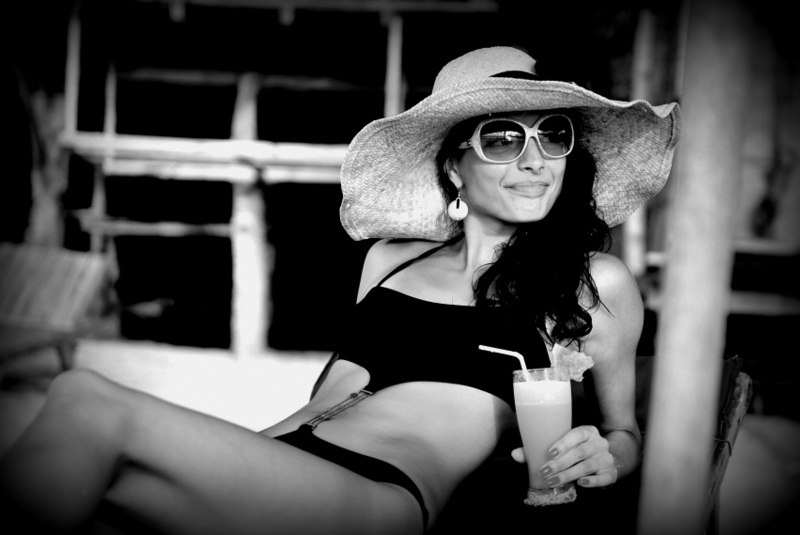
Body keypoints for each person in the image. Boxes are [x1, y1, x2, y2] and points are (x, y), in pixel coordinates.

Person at [0, 46, 680, 534]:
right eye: (503, 139)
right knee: (86, 469)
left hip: (377, 492)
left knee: (83, 399)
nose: (534, 160)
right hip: (280, 459)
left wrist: (609, 455)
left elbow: (624, 432)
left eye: (552, 135)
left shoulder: (591, 283)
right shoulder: (387, 261)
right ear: (454, 166)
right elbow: (331, 396)